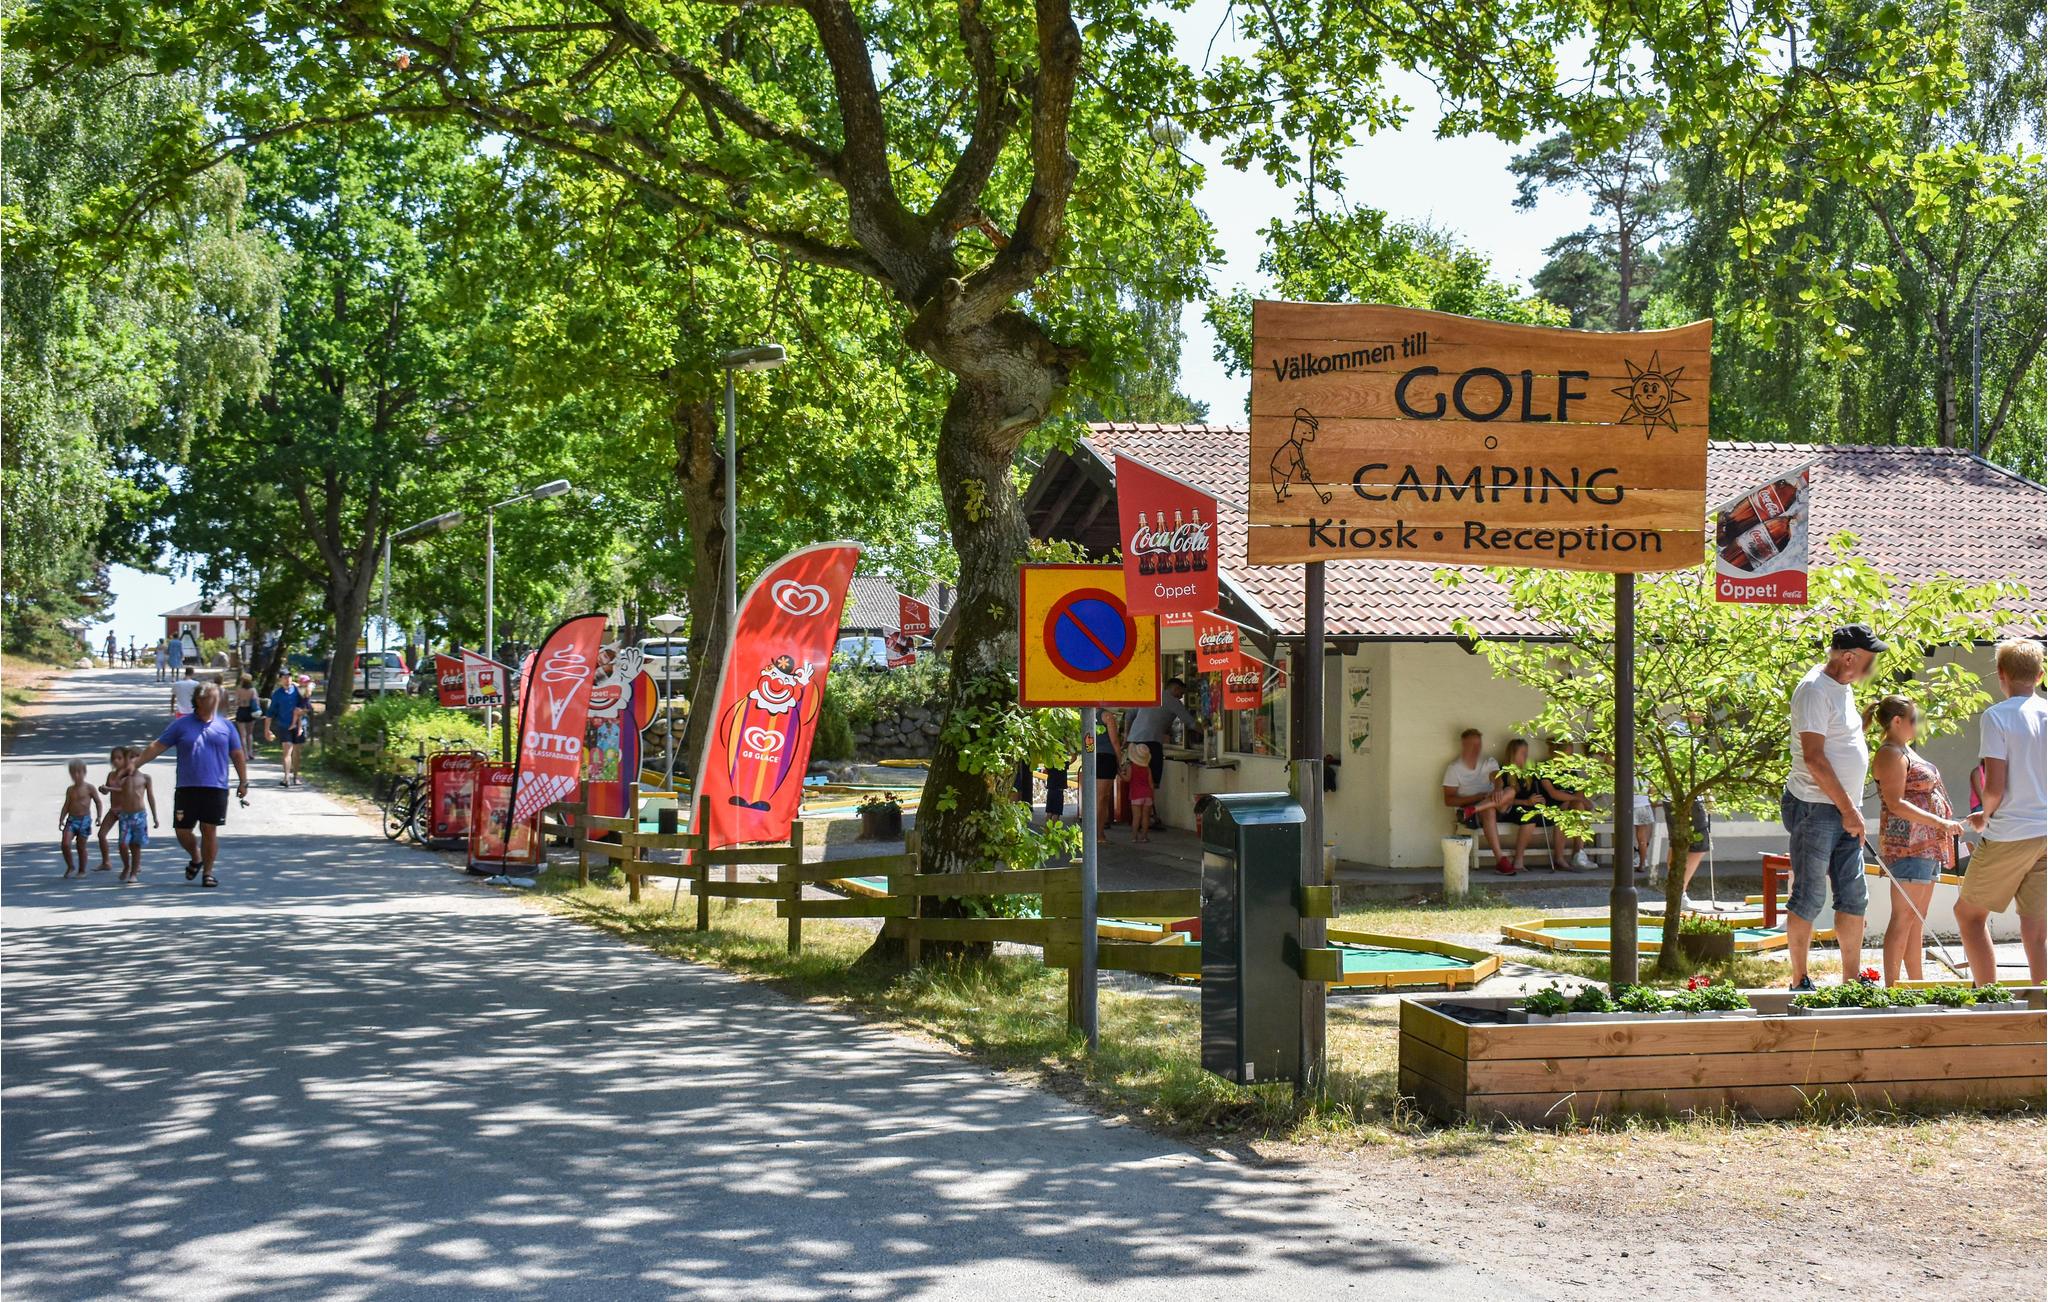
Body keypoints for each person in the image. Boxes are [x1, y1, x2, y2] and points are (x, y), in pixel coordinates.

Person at [1781, 624, 1885, 990]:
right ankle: (1800, 980)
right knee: (1809, 896)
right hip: (1816, 807)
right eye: (1869, 660)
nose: (1872, 668)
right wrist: (1848, 809)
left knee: (1854, 896)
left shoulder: (1843, 687)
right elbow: (1814, 758)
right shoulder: (1814, 690)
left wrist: (1850, 808)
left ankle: (1852, 981)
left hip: (1843, 809)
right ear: (1849, 657)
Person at [1959, 639, 2047, 987]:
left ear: (2001, 674)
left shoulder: (1996, 716)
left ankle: (1988, 1000)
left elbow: (1994, 786)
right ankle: (2042, 1006)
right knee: (2036, 930)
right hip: (2045, 832)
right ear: (2040, 675)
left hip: (2010, 831)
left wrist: (1983, 815)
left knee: (1969, 916)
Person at [1867, 695, 1963, 985]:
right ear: (1897, 721)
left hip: (1929, 846)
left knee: (1917, 918)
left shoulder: (1905, 750)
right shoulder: (1890, 753)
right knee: (1903, 916)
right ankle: (1893, 988)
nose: (1918, 724)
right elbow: (1895, 802)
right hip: (1908, 846)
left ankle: (1916, 985)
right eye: (1914, 719)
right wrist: (1940, 822)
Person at [131, 683, 248, 889]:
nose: (216, 701)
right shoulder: (181, 725)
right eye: (211, 697)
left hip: (216, 786)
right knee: (182, 830)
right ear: (199, 700)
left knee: (209, 829)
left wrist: (243, 781)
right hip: (187, 786)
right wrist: (134, 765)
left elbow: (237, 754)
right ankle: (196, 856)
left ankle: (208, 873)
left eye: (217, 698)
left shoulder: (226, 726)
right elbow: (157, 746)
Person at [1443, 728, 1515, 874]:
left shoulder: (1489, 762)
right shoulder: (1454, 768)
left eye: (1478, 744)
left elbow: (1497, 778)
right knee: (1488, 810)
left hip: (1496, 803)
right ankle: (1500, 860)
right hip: (1473, 812)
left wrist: (1498, 788)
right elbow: (1449, 800)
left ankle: (1475, 809)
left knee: (1511, 791)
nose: (1476, 748)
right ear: (1464, 745)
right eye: (1472, 745)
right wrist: (1477, 798)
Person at [1124, 678, 1202, 806]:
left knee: (1136, 779)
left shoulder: (1151, 695)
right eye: (1181, 693)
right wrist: (1207, 733)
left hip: (1133, 741)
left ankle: (1139, 812)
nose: (1181, 697)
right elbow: (1190, 722)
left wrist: (1126, 736)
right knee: (1152, 780)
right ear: (1176, 689)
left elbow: (1129, 715)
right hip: (1151, 742)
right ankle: (1148, 811)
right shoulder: (1173, 701)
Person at [1498, 738, 1557, 874]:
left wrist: (1539, 799)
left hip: (1528, 807)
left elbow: (1536, 793)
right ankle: (1518, 860)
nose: (1526, 757)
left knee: (1537, 815)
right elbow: (1502, 801)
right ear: (1513, 754)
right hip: (1511, 809)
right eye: (1522, 753)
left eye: (1526, 753)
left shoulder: (1529, 773)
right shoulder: (1504, 772)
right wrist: (1525, 802)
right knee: (1529, 817)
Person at [1537, 739, 1596, 872]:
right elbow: (1553, 793)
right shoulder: (1544, 768)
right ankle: (1560, 858)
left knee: (1579, 806)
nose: (1570, 758)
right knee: (1564, 815)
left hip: (1568, 805)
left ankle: (1578, 853)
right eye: (1568, 755)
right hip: (1550, 806)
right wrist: (1573, 798)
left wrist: (1571, 800)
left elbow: (1578, 790)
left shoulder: (1570, 770)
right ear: (1558, 754)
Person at [106, 746, 158, 884]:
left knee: (135, 846)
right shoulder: (124, 778)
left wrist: (155, 816)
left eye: (135, 757)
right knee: (123, 844)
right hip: (125, 816)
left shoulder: (145, 778)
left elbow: (150, 797)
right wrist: (107, 788)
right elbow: (116, 788)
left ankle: (133, 873)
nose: (132, 760)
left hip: (139, 816)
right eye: (129, 757)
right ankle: (126, 866)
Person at [57, 760, 102, 879]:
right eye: (73, 773)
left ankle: (82, 869)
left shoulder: (89, 788)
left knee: (81, 846)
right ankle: (70, 866)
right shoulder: (70, 790)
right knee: (65, 844)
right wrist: (61, 819)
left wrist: (99, 817)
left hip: (84, 820)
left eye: (79, 772)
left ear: (84, 772)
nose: (76, 775)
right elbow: (66, 805)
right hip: (72, 820)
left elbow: (98, 802)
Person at [270, 674, 312, 786]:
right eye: (284, 677)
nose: (287, 680)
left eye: (289, 677)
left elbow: (308, 707)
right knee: (287, 751)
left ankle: (296, 776)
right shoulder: (281, 693)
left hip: (300, 723)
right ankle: (286, 777)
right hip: (285, 725)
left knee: (297, 752)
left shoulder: (300, 690)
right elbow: (271, 711)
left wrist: (303, 712)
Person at [93, 746, 127, 871]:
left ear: (125, 759)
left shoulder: (128, 775)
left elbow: (124, 790)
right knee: (101, 834)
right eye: (114, 758)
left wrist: (109, 789)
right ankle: (106, 862)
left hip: (125, 811)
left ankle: (131, 864)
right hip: (113, 810)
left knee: (123, 840)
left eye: (119, 758)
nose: (116, 761)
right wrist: (103, 789)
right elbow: (107, 790)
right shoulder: (111, 775)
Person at [1093, 711, 1123, 838]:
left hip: (1093, 757)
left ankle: (1099, 832)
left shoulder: (1086, 716)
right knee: (1102, 798)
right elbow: (1114, 741)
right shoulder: (1107, 716)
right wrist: (1120, 760)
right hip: (1106, 757)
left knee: (1101, 798)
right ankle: (1097, 833)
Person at [1127, 743, 1156, 842]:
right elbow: (1151, 783)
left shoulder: (1131, 767)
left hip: (1136, 795)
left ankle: (1134, 837)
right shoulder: (1147, 769)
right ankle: (1144, 837)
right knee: (1145, 817)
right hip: (1147, 794)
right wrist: (1152, 795)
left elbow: (1127, 779)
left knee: (1136, 817)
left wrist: (1120, 774)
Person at [232, 674, 261, 754]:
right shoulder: (253, 690)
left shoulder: (239, 689)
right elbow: (256, 701)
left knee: (242, 735)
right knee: (250, 734)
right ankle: (250, 752)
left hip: (241, 711)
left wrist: (242, 701)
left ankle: (245, 754)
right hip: (250, 711)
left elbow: (236, 702)